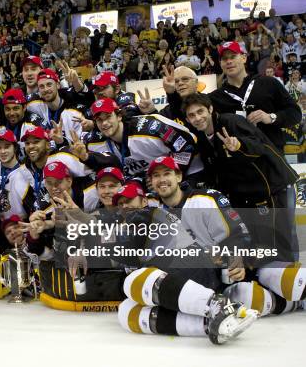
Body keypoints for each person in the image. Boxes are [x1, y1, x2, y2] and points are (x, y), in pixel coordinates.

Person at [118, 156, 259, 345]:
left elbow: (239, 235)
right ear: (151, 183)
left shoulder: (205, 199)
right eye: (156, 176)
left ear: (178, 176)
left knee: (135, 280)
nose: (162, 180)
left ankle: (216, 304)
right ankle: (212, 323)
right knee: (127, 312)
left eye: (167, 173)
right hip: (179, 285)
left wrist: (236, 258)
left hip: (210, 273)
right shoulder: (152, 212)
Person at [182, 93, 299, 262]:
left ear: (210, 109)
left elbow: (259, 146)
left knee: (280, 244)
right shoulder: (201, 138)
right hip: (251, 196)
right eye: (192, 115)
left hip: (273, 188)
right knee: (261, 246)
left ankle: (292, 284)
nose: (198, 118)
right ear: (187, 119)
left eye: (200, 111)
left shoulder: (230, 122)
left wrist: (239, 145)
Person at [84, 98, 204, 187]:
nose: (104, 123)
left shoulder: (150, 127)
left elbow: (188, 144)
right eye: (99, 120)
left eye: (108, 117)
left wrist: (168, 174)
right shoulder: (97, 142)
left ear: (119, 116)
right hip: (153, 181)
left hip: (190, 172)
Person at [208, 41, 302, 153]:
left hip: (272, 156)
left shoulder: (269, 83)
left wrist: (271, 117)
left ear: (244, 58)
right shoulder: (215, 98)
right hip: (239, 160)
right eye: (224, 59)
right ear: (220, 63)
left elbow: (295, 113)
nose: (229, 61)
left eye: (233, 56)